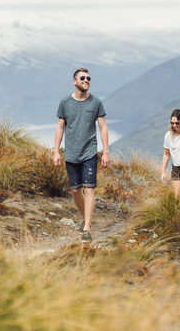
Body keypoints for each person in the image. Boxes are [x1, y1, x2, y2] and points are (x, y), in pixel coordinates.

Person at [53, 68, 110, 244]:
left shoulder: (96, 103)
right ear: (74, 81)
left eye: (88, 78)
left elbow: (103, 127)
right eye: (82, 78)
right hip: (70, 153)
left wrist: (106, 152)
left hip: (89, 152)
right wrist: (56, 151)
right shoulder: (65, 103)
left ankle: (86, 228)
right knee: (76, 191)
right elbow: (60, 128)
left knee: (89, 189)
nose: (86, 80)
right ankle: (87, 218)